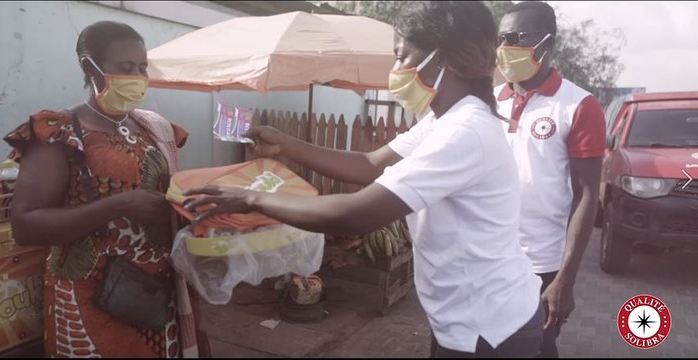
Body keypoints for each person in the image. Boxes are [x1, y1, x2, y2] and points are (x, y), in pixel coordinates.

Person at [183, 2, 543, 357]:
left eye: (403, 57)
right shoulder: (443, 121)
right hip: (465, 318)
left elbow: (357, 213)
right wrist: (286, 143)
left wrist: (251, 199)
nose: (396, 70)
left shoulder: (465, 132)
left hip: (490, 328)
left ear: (448, 58)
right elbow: (369, 164)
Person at [4, 21, 210, 358]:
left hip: (155, 293)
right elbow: (25, 226)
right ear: (90, 67)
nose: (138, 77)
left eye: (142, 67)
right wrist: (117, 206)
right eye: (126, 68)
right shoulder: (60, 132)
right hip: (91, 296)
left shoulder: (152, 128)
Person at [494, 2, 606, 358]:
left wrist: (566, 280)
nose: (506, 47)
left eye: (518, 38)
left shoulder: (578, 105)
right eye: (502, 38)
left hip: (540, 266)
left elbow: (587, 195)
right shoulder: (493, 97)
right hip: (489, 258)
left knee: (536, 349)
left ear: (547, 44)